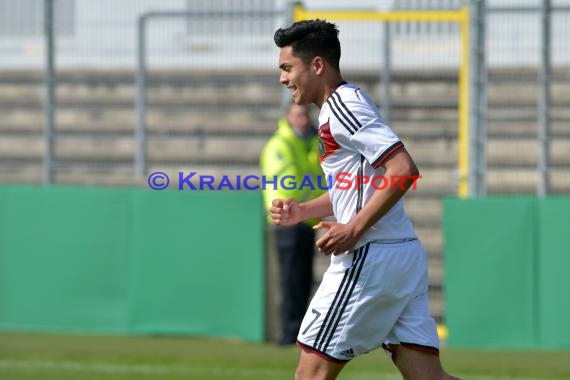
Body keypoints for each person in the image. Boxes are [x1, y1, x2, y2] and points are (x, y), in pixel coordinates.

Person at [270, 20, 459, 380]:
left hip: (370, 258)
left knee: (309, 375)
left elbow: (402, 169)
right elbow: (357, 185)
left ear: (318, 65)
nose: (282, 79)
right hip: (400, 253)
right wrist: (303, 211)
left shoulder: (343, 106)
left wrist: (355, 228)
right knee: (429, 377)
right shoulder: (339, 107)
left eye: (287, 68)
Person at [260, 103, 325, 346]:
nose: (303, 119)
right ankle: (288, 333)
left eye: (305, 115)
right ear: (288, 118)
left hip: (306, 218)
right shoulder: (282, 144)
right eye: (298, 115)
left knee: (303, 278)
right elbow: (287, 183)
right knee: (290, 279)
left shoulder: (309, 143)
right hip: (288, 219)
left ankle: (298, 332)